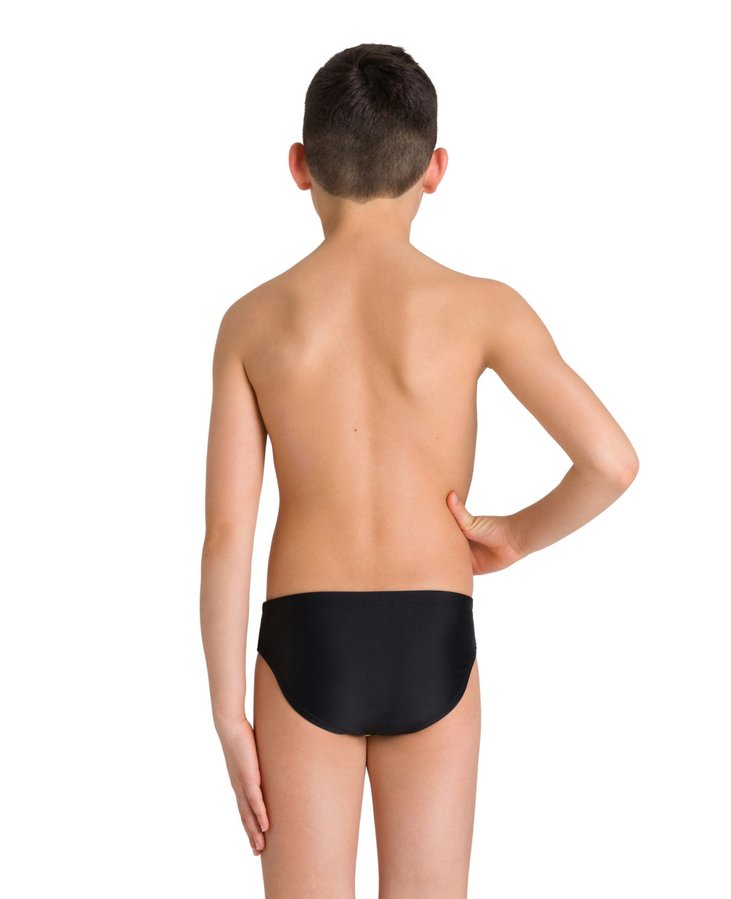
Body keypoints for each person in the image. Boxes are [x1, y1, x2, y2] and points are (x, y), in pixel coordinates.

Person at [199, 42, 639, 898]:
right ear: (435, 169)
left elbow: (225, 535)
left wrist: (227, 715)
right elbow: (611, 462)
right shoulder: (482, 307)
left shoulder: (251, 322)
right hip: (434, 634)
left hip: (304, 642)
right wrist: (515, 534)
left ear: (300, 165)